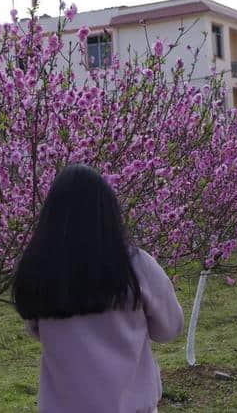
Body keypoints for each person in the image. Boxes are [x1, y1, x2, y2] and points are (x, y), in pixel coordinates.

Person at [12, 164, 184, 413]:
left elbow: (37, 330)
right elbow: (169, 329)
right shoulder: (135, 265)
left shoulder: (37, 269)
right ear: (109, 211)